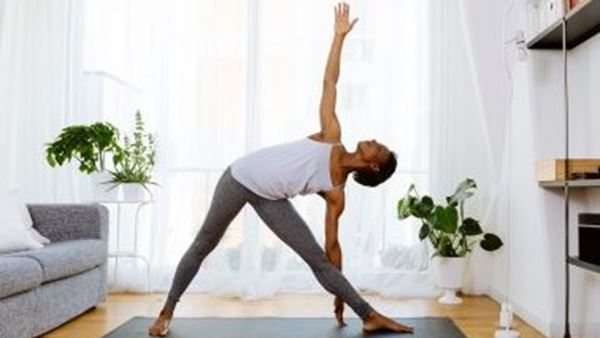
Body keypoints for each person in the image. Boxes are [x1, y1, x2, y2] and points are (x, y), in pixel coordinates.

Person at [149, 3, 413, 336]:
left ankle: (369, 315)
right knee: (205, 242)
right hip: (240, 177)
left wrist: (340, 294)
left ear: (373, 165)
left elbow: (332, 250)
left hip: (270, 198)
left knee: (316, 258)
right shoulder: (331, 137)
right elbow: (329, 82)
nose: (374, 140)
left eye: (380, 147)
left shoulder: (335, 194)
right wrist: (339, 38)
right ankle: (166, 312)